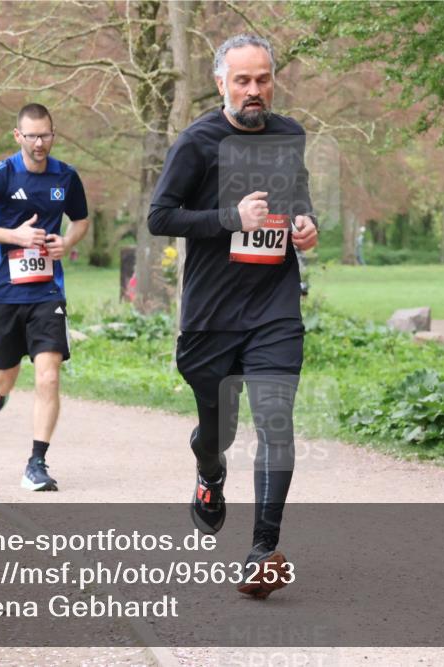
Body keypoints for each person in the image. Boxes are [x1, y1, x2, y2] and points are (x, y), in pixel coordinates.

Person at [148, 34, 319, 599]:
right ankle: (210, 471)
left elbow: (297, 195)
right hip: (212, 315)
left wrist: (305, 224)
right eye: (242, 80)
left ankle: (262, 549)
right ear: (221, 82)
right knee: (217, 429)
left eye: (263, 78)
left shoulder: (290, 134)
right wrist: (228, 216)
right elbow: (160, 217)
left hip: (273, 305)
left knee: (275, 420)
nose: (254, 90)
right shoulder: (197, 142)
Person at [0, 103, 89, 491]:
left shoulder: (66, 176)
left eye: (45, 134)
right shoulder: (2, 174)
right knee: (3, 377)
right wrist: (15, 237)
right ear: (18, 136)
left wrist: (67, 241)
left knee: (48, 375)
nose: (39, 143)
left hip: (48, 291)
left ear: (53, 134)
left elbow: (80, 220)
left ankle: (37, 462)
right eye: (31, 136)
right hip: (4, 293)